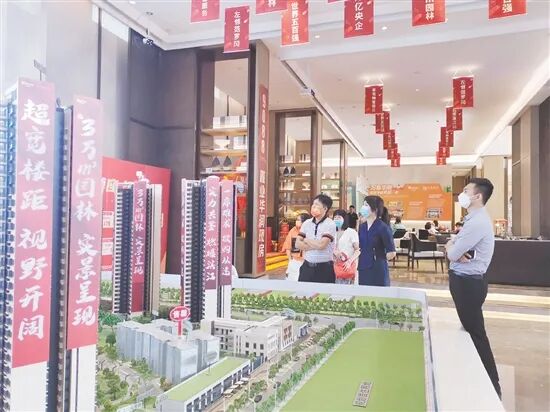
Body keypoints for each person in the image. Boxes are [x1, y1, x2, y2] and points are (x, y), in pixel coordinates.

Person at [445, 178, 501, 398]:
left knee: (476, 333)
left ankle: (491, 384)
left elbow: (452, 252)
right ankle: (477, 376)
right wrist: (454, 246)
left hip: (468, 283)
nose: (463, 194)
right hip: (465, 281)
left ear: (478, 196)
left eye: (466, 190)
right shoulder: (472, 220)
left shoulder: (477, 222)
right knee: (471, 330)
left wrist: (453, 247)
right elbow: (455, 247)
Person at [295, 194, 337, 283]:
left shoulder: (330, 224)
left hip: (324, 269)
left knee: (324, 292)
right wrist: (315, 245)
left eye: (317, 205)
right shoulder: (306, 223)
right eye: (313, 204)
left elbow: (322, 245)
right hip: (307, 267)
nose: (313, 207)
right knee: (303, 291)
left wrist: (306, 240)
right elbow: (297, 243)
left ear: (325, 208)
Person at [357, 196, 396, 286]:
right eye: (363, 205)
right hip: (363, 267)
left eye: (366, 205)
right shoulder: (362, 227)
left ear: (375, 209)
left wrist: (379, 259)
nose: (363, 207)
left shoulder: (383, 227)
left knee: (378, 293)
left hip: (378, 269)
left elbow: (392, 252)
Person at [332, 209, 360, 284]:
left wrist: (349, 262)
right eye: (335, 217)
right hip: (335, 266)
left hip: (347, 266)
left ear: (344, 219)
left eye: (339, 217)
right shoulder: (333, 232)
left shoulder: (351, 232)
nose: (336, 219)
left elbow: (357, 250)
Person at [282, 213, 310, 278]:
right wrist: (290, 261)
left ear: (304, 222)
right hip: (295, 261)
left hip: (307, 262)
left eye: (298, 220)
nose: (296, 221)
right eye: (296, 220)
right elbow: (287, 246)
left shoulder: (310, 231)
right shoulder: (293, 230)